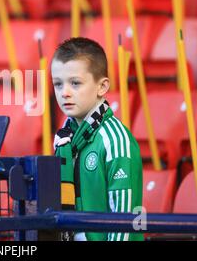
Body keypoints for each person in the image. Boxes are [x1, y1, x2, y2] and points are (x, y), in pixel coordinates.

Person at [51, 37, 143, 241]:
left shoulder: (115, 140)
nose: (64, 93)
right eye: (58, 84)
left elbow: (124, 221)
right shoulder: (64, 136)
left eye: (75, 83)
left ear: (102, 87)